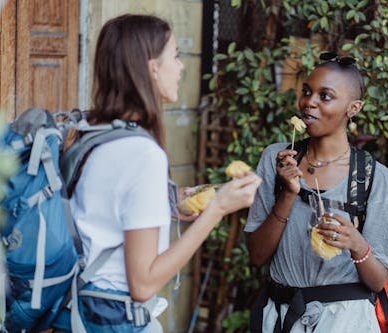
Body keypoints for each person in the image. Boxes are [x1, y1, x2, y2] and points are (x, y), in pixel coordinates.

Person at [53, 14, 261, 333]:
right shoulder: (142, 153)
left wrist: (172, 202)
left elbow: (103, 211)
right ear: (152, 66)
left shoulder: (90, 130)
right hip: (115, 318)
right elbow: (144, 283)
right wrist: (219, 208)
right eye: (175, 56)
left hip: (79, 309)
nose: (181, 66)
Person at [245, 53, 388, 333]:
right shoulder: (277, 159)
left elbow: (379, 282)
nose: (309, 102)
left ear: (353, 108)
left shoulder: (374, 177)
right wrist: (288, 194)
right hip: (281, 318)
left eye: (325, 96)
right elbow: (257, 255)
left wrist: (357, 244)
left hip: (345, 321)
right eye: (306, 91)